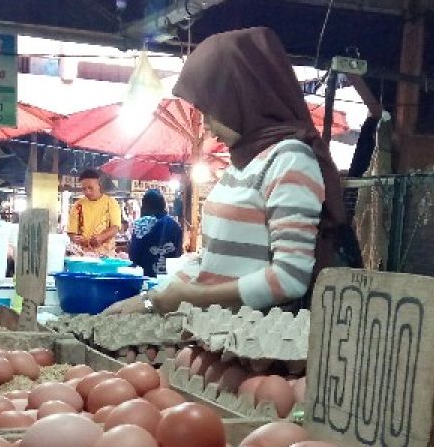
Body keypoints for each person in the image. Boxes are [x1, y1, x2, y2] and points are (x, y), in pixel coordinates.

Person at [106, 27, 353, 315]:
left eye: (210, 109)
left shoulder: (290, 159)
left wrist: (183, 299)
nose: (206, 124)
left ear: (241, 95)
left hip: (254, 347)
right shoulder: (241, 162)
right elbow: (209, 263)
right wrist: (148, 301)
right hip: (212, 333)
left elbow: (290, 278)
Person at [129, 189, 183, 277]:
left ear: (145, 205)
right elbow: (178, 254)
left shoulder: (142, 223)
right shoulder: (175, 225)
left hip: (145, 277)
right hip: (168, 279)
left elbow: (133, 255)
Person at [67, 169, 122, 256]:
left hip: (106, 254)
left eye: (90, 188)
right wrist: (76, 239)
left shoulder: (111, 203)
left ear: (99, 185)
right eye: (84, 189)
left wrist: (101, 237)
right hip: (83, 254)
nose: (87, 192)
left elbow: (115, 228)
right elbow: (71, 232)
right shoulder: (77, 206)